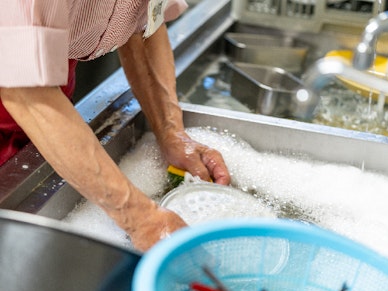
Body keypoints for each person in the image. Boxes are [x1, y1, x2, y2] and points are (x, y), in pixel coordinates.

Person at [0, 0, 231, 252]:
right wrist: (141, 219)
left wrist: (171, 131)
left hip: (44, 102)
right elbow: (26, 92)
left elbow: (143, 24)